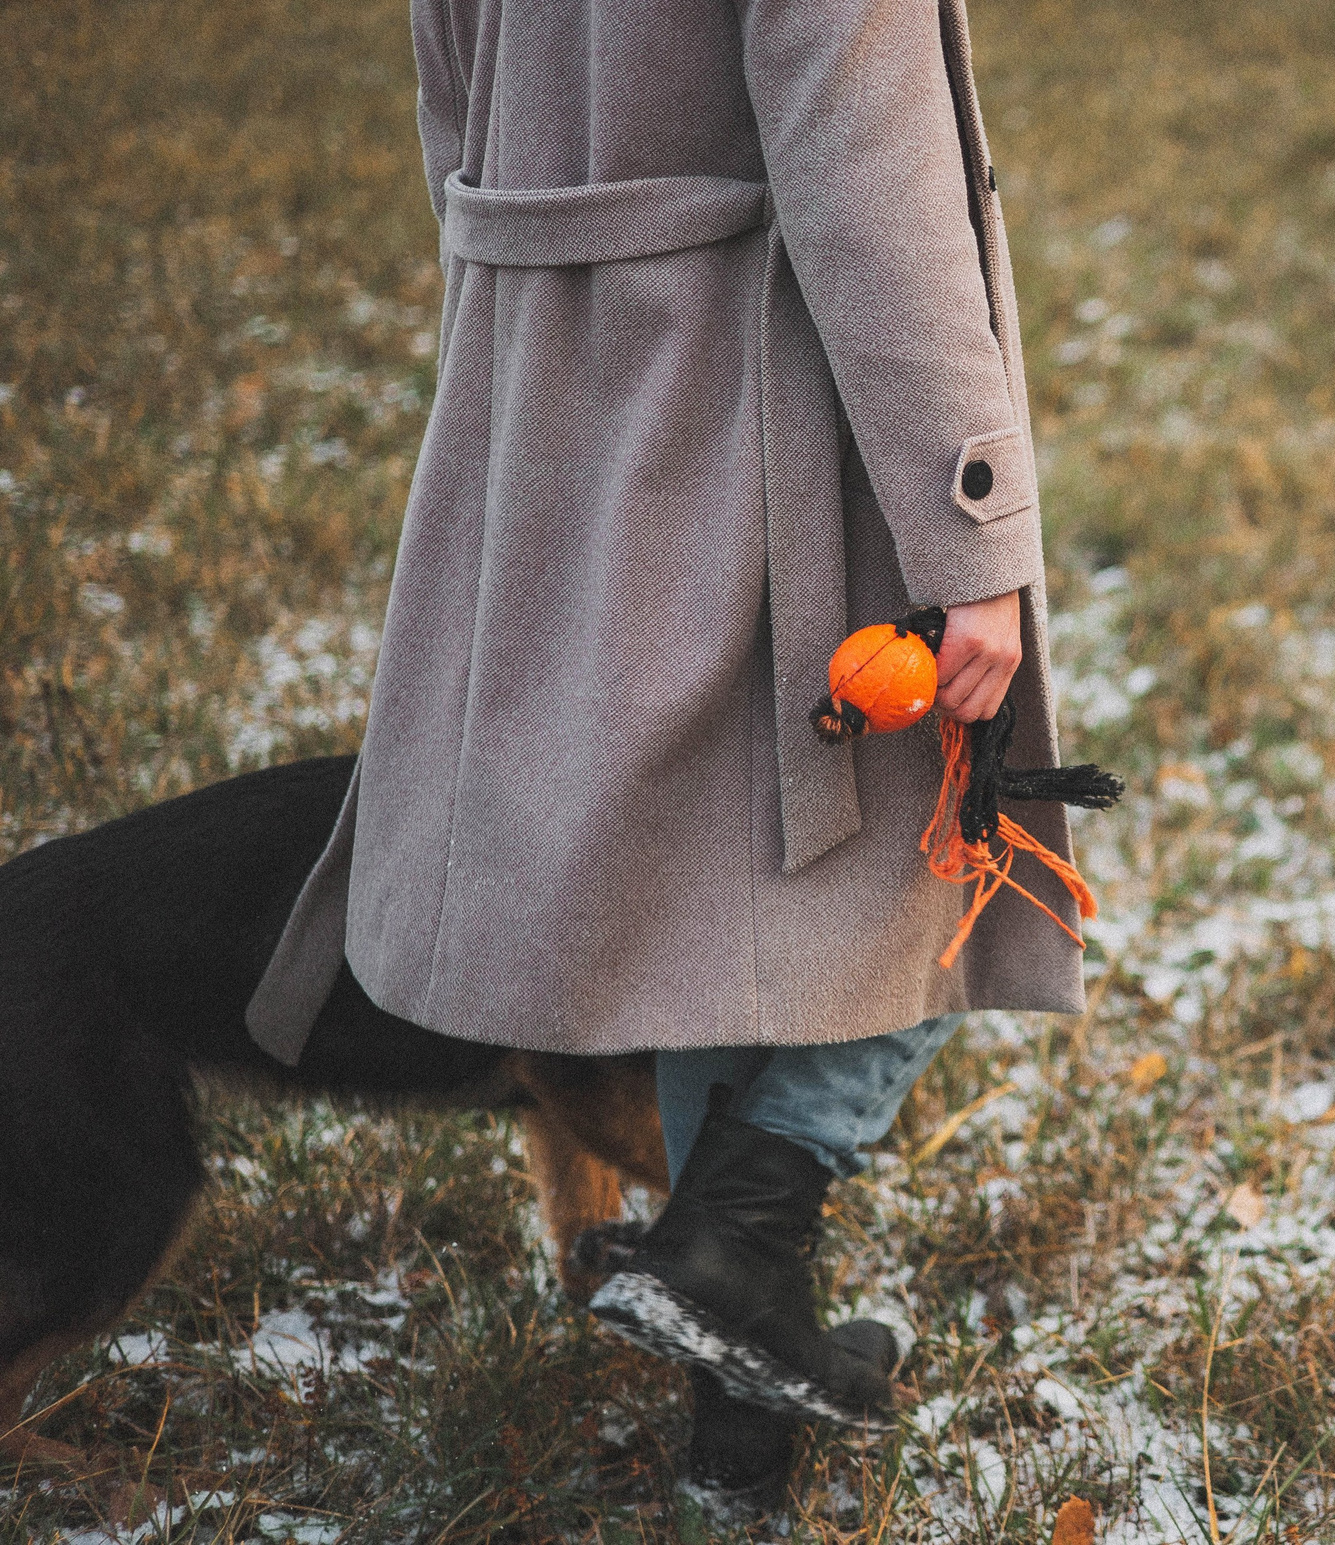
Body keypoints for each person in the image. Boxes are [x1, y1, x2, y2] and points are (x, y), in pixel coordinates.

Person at [242, 0, 1087, 1512]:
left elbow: (455, 87)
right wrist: (967, 527)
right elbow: (862, 150)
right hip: (770, 390)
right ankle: (743, 1232)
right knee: (953, 841)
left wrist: (529, 332)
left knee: (727, 894)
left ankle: (736, 1411)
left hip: (553, 386)